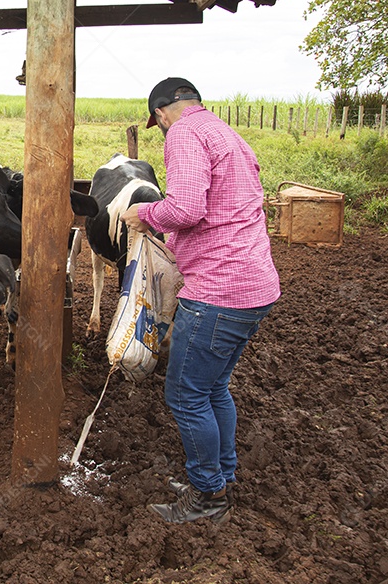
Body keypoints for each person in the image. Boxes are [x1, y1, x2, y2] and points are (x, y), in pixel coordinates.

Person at [120, 77, 280, 524]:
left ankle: (208, 496)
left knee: (186, 395)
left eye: (159, 122)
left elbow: (187, 208)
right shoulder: (225, 132)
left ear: (163, 113)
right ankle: (219, 474)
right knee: (213, 388)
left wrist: (144, 214)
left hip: (217, 291)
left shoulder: (185, 133)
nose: (162, 127)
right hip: (254, 286)